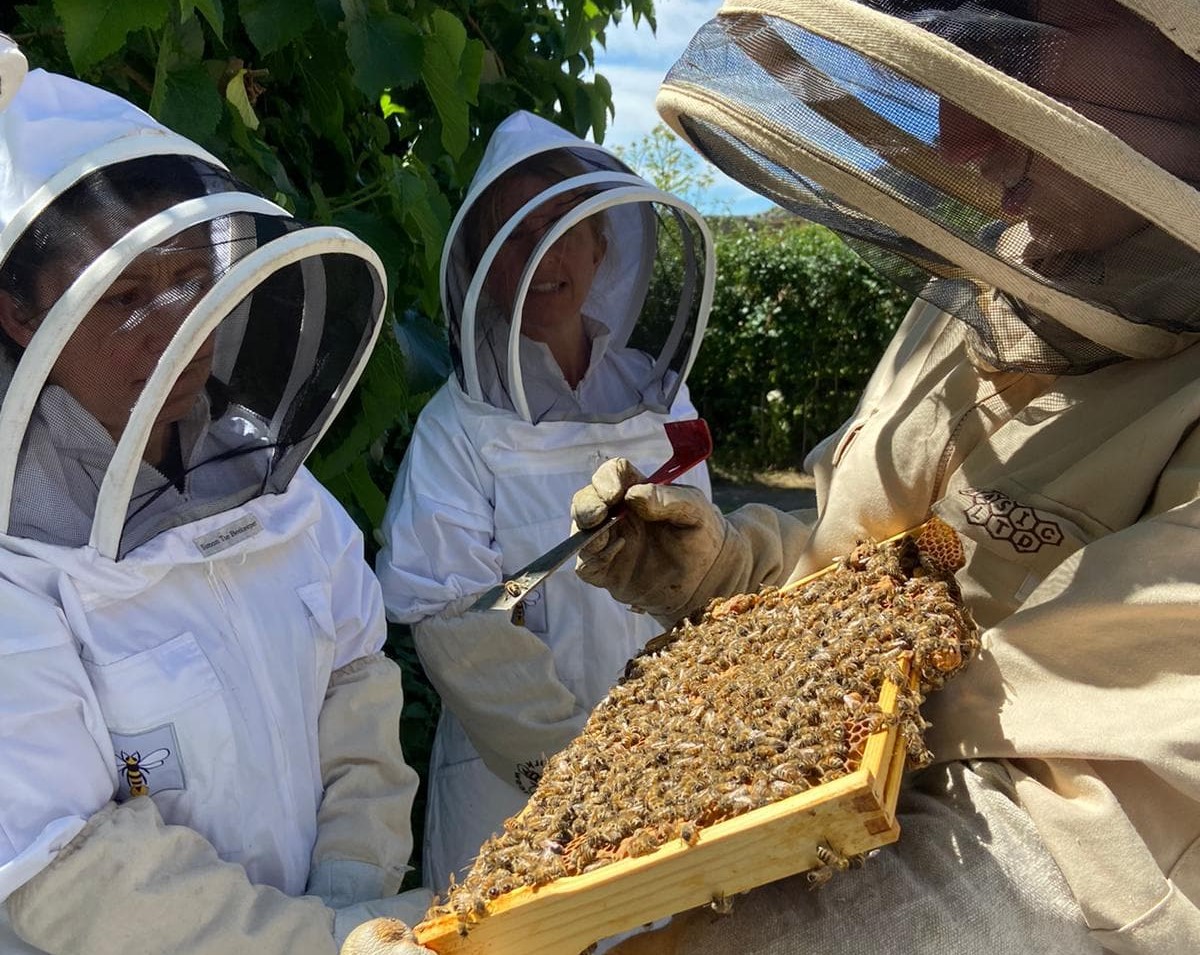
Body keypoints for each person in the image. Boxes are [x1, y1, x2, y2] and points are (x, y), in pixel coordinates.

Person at [562, 1, 1200, 953]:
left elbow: (1081, 851)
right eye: (953, 52)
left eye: (1015, 38)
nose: (956, 133)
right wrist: (730, 574)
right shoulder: (985, 297)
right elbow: (865, 579)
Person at [0, 53, 431, 955]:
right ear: (19, 317)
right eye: (122, 294)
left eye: (194, 276)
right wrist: (324, 942)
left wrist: (351, 895)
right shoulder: (18, 566)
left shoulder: (273, 481)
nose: (174, 325)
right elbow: (66, 871)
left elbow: (354, 677)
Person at [375, 110, 715, 895]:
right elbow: (455, 620)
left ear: (604, 245)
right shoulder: (458, 427)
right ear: (488, 263)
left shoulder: (658, 396)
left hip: (669, 764)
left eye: (568, 226)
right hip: (515, 796)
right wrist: (582, 778)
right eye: (519, 235)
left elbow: (704, 574)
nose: (546, 256)